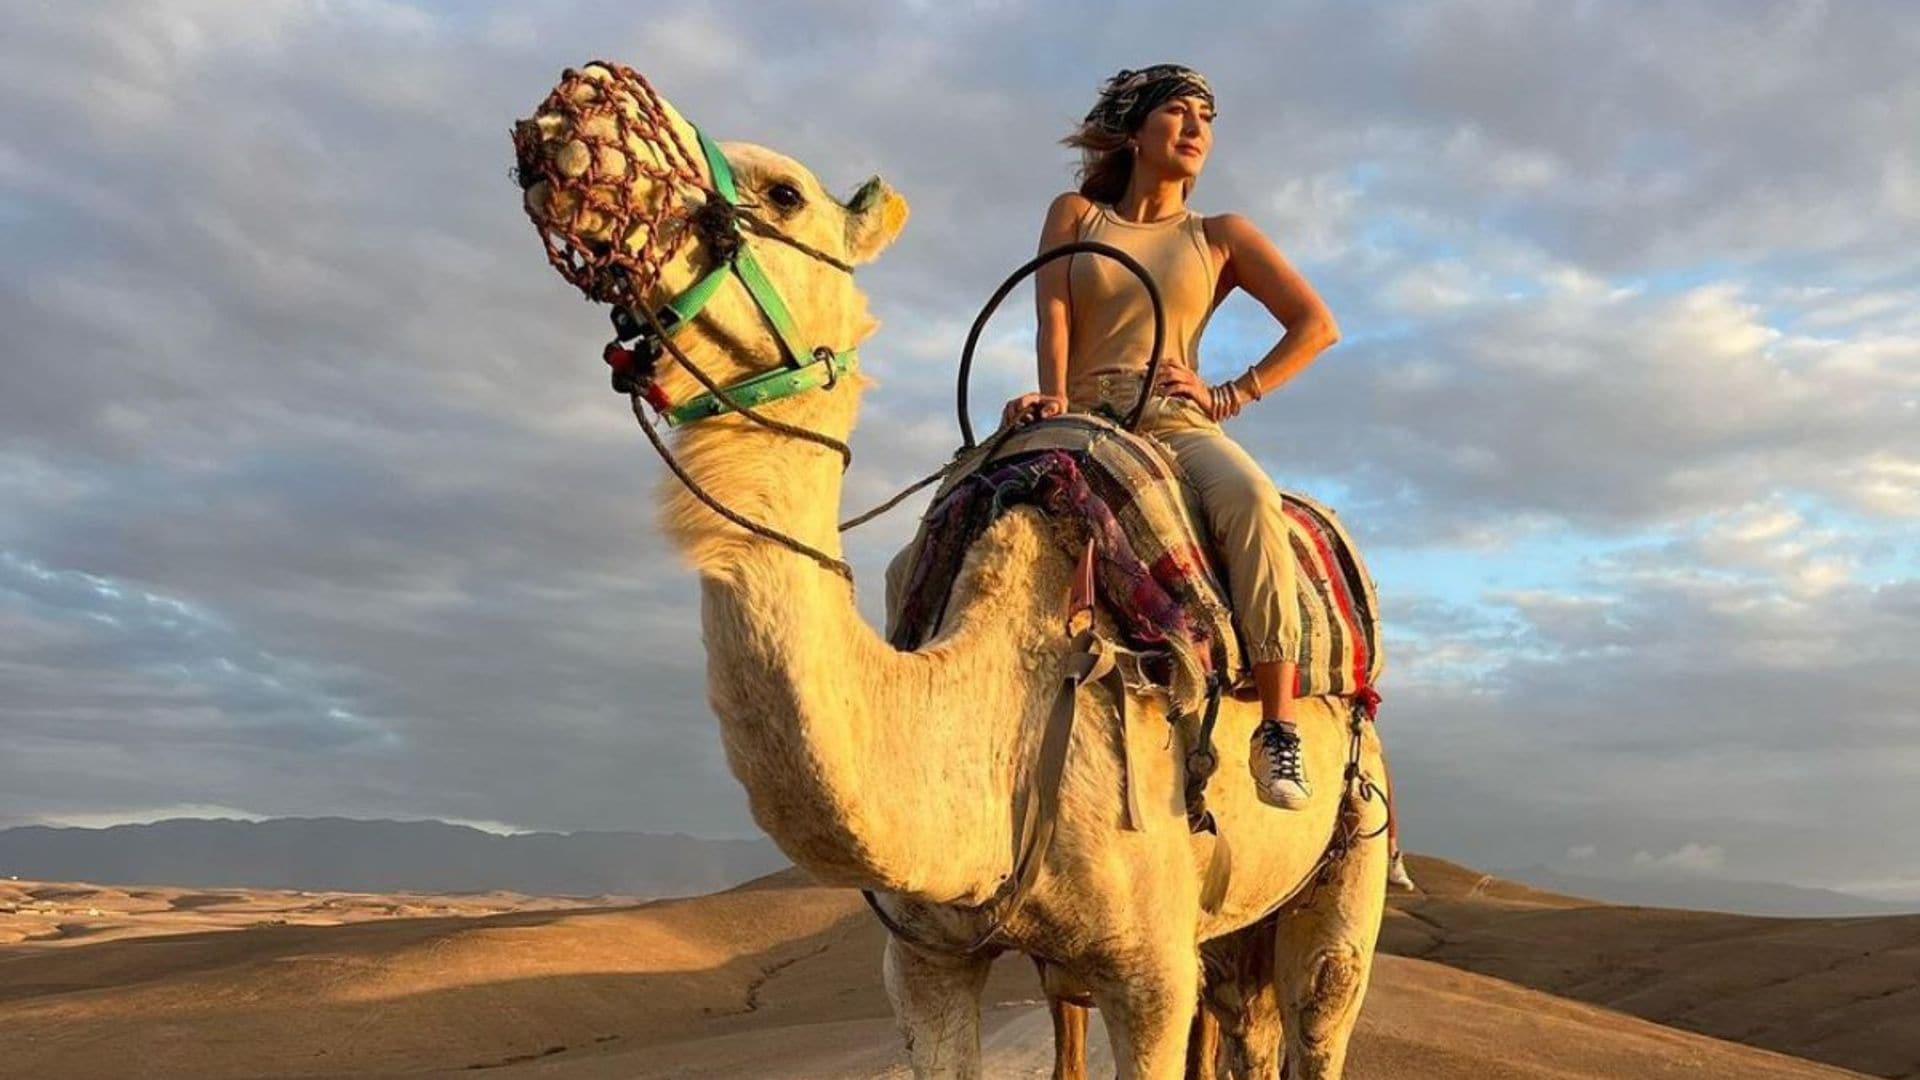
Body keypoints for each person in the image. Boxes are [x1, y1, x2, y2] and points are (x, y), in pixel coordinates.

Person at [1001, 65, 1340, 810]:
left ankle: (1278, 726)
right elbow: (1053, 314)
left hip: (1174, 416)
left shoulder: (1219, 236)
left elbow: (1317, 326)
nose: (1195, 130)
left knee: (1249, 496)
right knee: (971, 504)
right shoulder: (1076, 216)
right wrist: (1052, 395)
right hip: (1082, 410)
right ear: (1133, 131)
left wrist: (1232, 393)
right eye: (1177, 112)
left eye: (1206, 119)